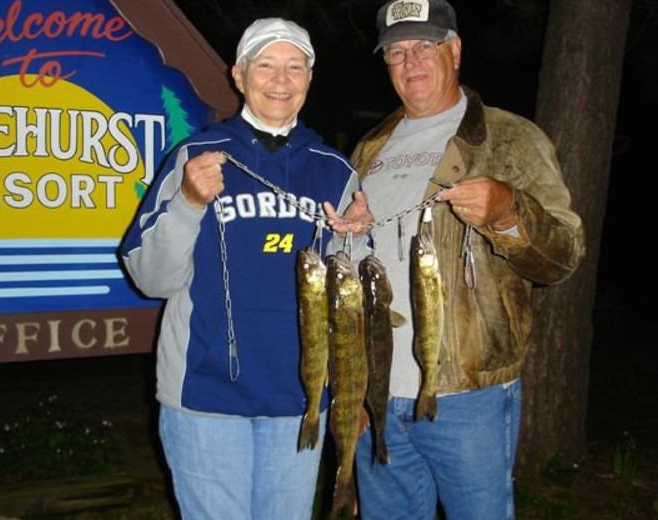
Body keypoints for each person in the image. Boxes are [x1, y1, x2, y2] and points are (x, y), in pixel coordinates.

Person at [339, 1, 586, 519]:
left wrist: (508, 213)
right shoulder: (368, 149)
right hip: (378, 393)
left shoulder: (511, 138)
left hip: (469, 397)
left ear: (454, 50)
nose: (411, 63)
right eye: (397, 52)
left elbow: (564, 257)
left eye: (425, 47)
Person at [119, 18, 363, 520]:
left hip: (300, 401)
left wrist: (356, 238)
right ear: (239, 74)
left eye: (294, 67)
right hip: (205, 396)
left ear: (310, 78)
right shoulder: (195, 157)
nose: (280, 80)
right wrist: (188, 201)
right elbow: (150, 279)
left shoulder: (335, 171)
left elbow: (355, 295)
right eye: (266, 65)